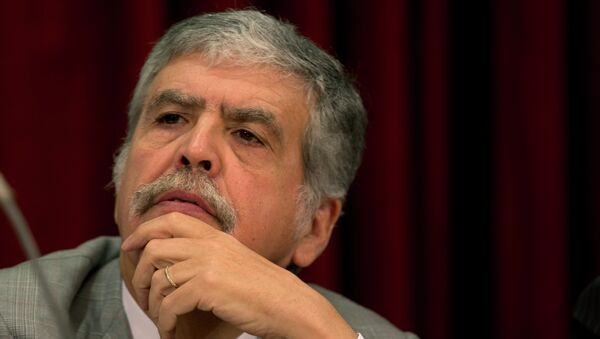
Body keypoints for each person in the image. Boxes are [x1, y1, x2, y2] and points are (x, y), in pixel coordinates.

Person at [0, 9, 417, 339]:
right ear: (122, 165)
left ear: (313, 227)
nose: (195, 149)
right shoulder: (14, 317)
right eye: (171, 118)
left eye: (248, 135)